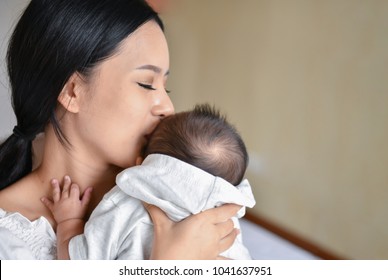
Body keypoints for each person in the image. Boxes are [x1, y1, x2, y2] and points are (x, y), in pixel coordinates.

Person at [0, 0, 241, 260]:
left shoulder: (182, 197)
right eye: (146, 84)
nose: (168, 108)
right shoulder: (9, 242)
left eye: (166, 87)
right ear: (72, 91)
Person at [42, 104, 256, 259]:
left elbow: (77, 265)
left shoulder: (125, 205)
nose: (166, 107)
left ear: (141, 164)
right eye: (146, 84)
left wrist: (69, 222)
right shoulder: (226, 220)